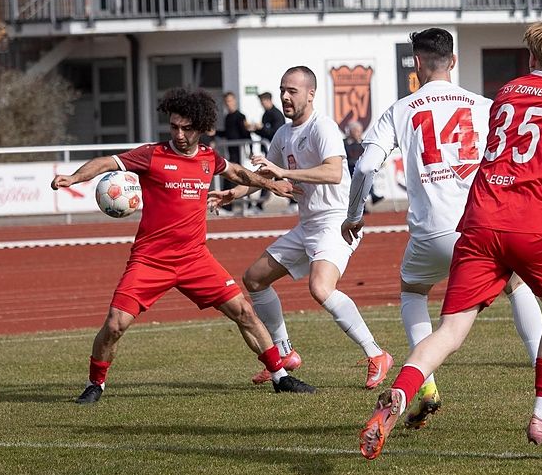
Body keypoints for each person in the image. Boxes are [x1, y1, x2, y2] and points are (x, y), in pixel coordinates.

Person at [357, 20, 542, 459]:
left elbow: (506, 158)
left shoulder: (509, 93)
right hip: (530, 224)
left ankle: (400, 392)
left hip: (478, 220)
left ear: (532, 58)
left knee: (453, 328)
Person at [50, 87, 316, 404]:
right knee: (115, 324)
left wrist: (272, 184)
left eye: (186, 128)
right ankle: (96, 383)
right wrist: (74, 178)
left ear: (200, 128)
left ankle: (280, 377)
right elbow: (106, 162)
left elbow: (239, 173)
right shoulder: (151, 155)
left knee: (244, 312)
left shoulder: (208, 158)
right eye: (174, 126)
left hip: (195, 260)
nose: (178, 133)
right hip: (150, 261)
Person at [208, 66, 393, 389]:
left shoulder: (323, 127)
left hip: (336, 221)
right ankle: (283, 353)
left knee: (321, 288)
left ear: (310, 94)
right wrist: (233, 194)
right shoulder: (283, 133)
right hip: (307, 225)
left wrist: (284, 172)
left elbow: (333, 172)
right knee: (254, 279)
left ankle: (376, 354)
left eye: (292, 91)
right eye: (282, 90)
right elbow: (267, 176)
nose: (284, 97)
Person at [214, 92, 255, 214]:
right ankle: (228, 207)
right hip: (230, 152)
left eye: (231, 101)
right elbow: (227, 133)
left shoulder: (240, 116)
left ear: (235, 101)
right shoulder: (227, 117)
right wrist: (215, 133)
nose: (229, 104)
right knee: (228, 177)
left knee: (238, 176)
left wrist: (250, 150)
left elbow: (246, 134)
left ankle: (242, 206)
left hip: (239, 152)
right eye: (227, 102)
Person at [252, 91, 290, 213]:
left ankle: (294, 201)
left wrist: (261, 128)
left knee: (274, 177)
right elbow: (265, 134)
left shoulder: (277, 115)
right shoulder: (265, 115)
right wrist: (255, 130)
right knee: (269, 177)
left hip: (279, 152)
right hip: (269, 152)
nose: (262, 104)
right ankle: (259, 205)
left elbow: (276, 134)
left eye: (263, 101)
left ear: (269, 100)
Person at [343, 121, 383, 209]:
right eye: (356, 131)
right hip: (349, 169)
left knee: (366, 173)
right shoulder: (344, 143)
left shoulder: (363, 143)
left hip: (361, 169)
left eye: (360, 131)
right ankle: (370, 197)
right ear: (350, 131)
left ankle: (371, 196)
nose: (359, 133)